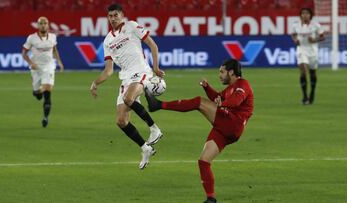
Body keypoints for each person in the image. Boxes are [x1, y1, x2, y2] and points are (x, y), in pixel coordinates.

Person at [145, 59, 254, 203]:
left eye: (222, 72)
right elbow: (217, 99)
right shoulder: (230, 88)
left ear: (231, 72)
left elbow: (236, 101)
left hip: (233, 123)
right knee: (203, 161)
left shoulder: (242, 84)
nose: (219, 75)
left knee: (199, 102)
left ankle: (158, 105)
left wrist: (223, 104)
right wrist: (207, 87)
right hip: (225, 128)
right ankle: (211, 198)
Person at [90, 3, 165, 170]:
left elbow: (153, 45)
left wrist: (156, 68)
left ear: (122, 15)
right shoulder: (108, 40)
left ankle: (154, 129)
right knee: (121, 121)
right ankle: (145, 148)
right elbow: (108, 71)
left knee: (128, 98)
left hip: (141, 72)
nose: (113, 18)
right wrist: (95, 83)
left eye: (115, 15)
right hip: (125, 78)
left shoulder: (131, 26)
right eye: (110, 16)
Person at [22, 16, 64, 127]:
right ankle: (36, 91)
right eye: (41, 23)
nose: (43, 25)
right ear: (38, 25)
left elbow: (54, 50)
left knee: (47, 91)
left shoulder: (53, 37)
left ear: (48, 25)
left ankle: (45, 117)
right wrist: (31, 63)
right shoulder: (32, 38)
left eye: (45, 23)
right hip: (36, 68)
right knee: (38, 94)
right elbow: (24, 53)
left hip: (49, 66)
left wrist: (59, 62)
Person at [292, 8, 325, 105]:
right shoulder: (296, 25)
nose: (305, 15)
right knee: (303, 69)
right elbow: (293, 35)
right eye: (303, 13)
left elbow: (323, 37)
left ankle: (312, 92)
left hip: (312, 51)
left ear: (310, 15)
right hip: (301, 49)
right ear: (300, 15)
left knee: (312, 73)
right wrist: (295, 40)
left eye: (307, 13)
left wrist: (315, 40)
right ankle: (304, 96)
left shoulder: (316, 25)